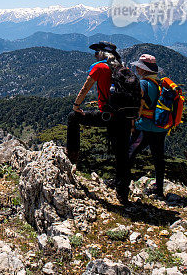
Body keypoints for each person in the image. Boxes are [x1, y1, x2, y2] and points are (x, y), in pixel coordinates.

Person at [66, 41, 133, 205]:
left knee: (72, 117)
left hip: (107, 116)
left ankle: (72, 155)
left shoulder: (99, 68)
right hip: (124, 118)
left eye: (96, 53)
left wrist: (76, 106)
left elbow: (85, 88)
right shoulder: (124, 70)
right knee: (122, 155)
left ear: (102, 54)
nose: (95, 55)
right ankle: (123, 194)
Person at [128, 54, 168, 199]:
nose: (137, 68)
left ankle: (122, 183)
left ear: (144, 70)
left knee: (130, 152)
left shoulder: (143, 83)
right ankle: (159, 190)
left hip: (144, 126)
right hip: (160, 127)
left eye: (139, 66)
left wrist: (133, 122)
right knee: (158, 158)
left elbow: (138, 103)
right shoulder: (159, 84)